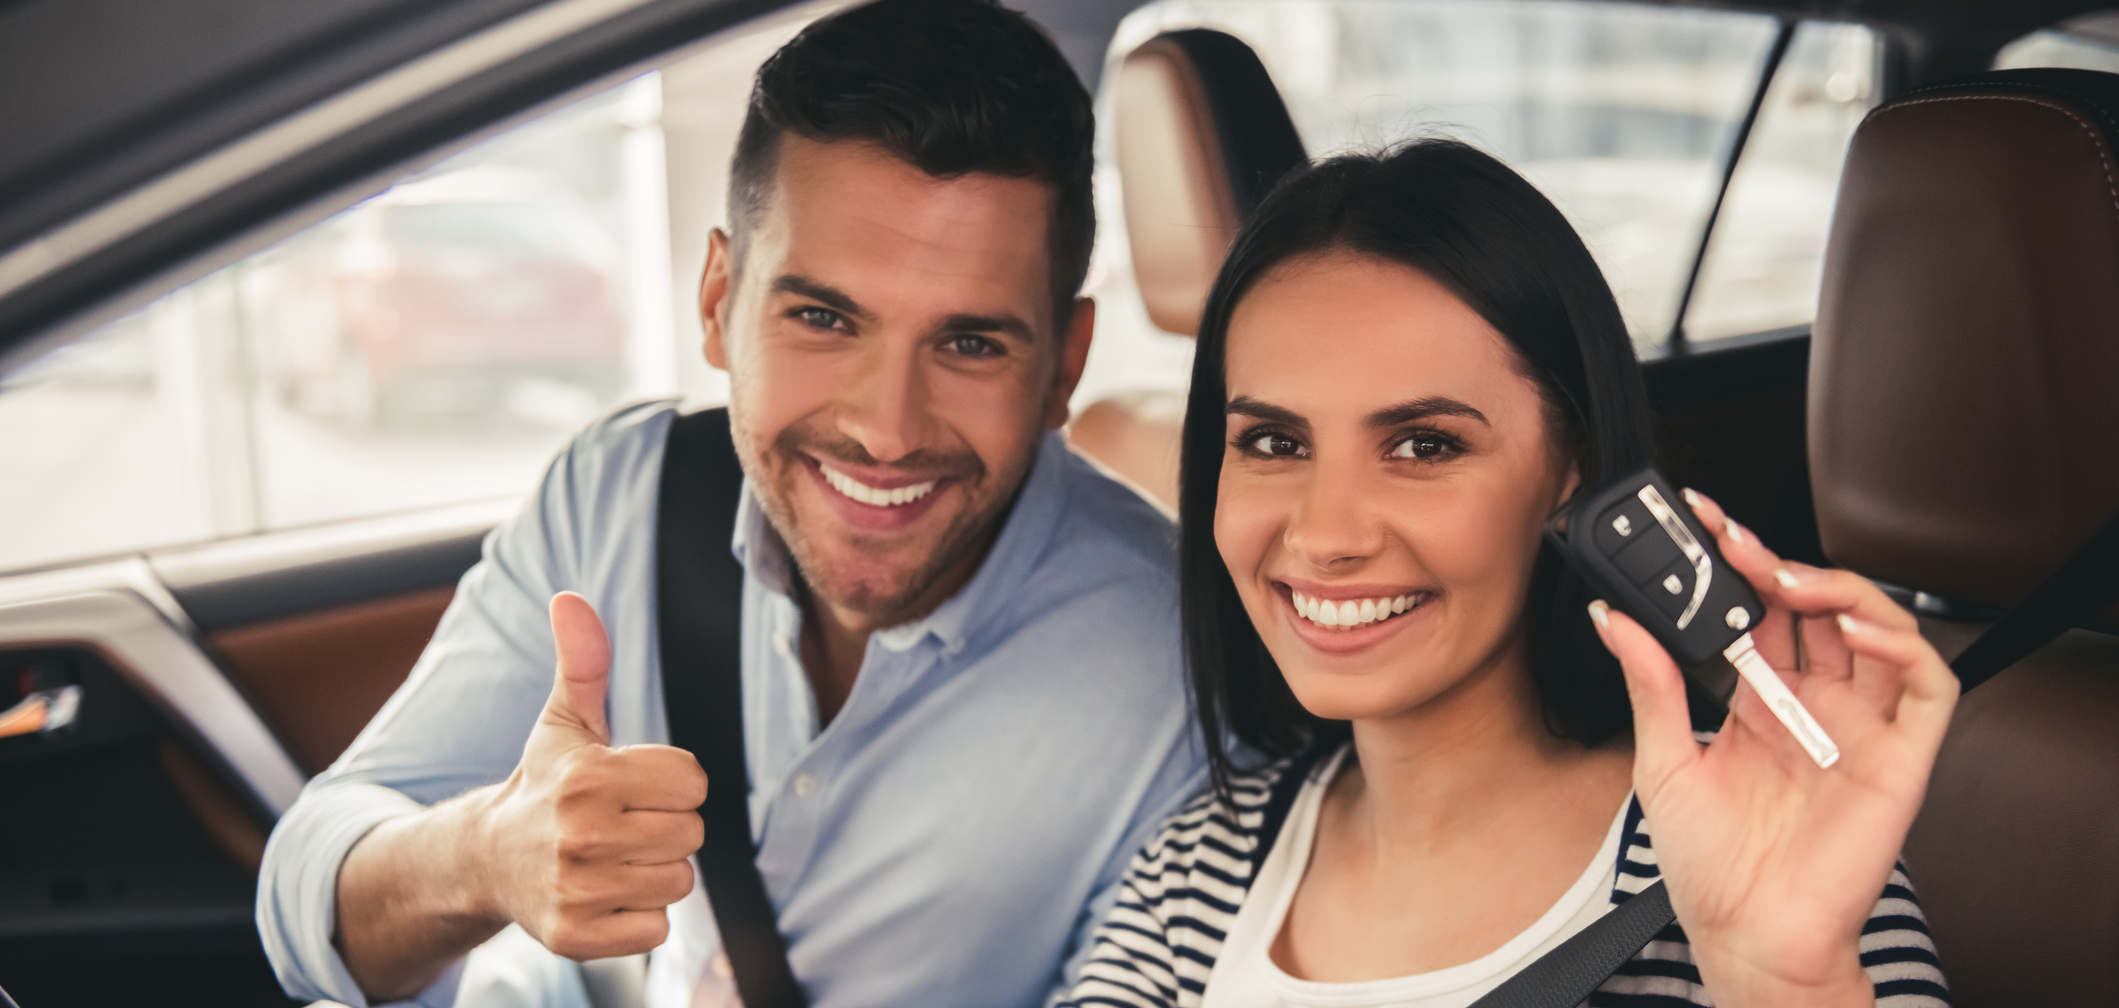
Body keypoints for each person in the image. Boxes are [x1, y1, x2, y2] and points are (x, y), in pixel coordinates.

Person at [256, 2, 1206, 1006]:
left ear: (1064, 366)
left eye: (969, 344)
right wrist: (487, 855)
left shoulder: (1178, 683)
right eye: (824, 318)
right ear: (718, 303)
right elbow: (306, 906)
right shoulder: (622, 496)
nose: (887, 430)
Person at [1060, 140, 1957, 1008]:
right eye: (1273, 442)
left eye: (1423, 445)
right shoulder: (1194, 874)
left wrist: (1778, 985)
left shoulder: (1767, 845)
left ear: (1568, 470)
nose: (1326, 534)